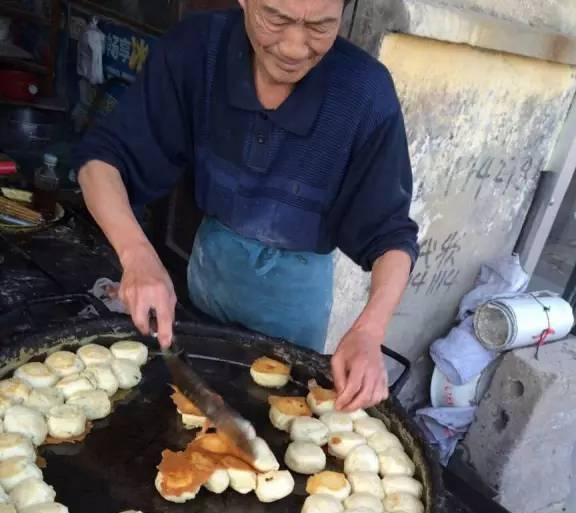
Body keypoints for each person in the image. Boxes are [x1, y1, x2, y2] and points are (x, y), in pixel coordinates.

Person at [75, 0, 419, 411]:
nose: (294, 47)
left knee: (270, 412)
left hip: (294, 300)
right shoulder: (196, 51)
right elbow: (101, 161)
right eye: (275, 18)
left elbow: (391, 234)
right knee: (185, 403)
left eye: (321, 26)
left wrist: (369, 329)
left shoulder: (365, 92)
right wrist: (137, 256)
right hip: (209, 274)